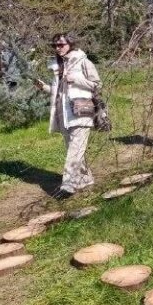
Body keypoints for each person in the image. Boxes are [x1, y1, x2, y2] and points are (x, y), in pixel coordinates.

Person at [35, 33, 101, 197]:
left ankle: (68, 186)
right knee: (76, 151)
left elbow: (97, 85)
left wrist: (76, 79)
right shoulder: (58, 66)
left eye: (61, 45)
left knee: (74, 151)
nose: (57, 48)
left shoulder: (83, 62)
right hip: (63, 115)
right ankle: (85, 179)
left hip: (81, 112)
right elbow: (59, 92)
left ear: (70, 44)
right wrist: (44, 87)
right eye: (55, 45)